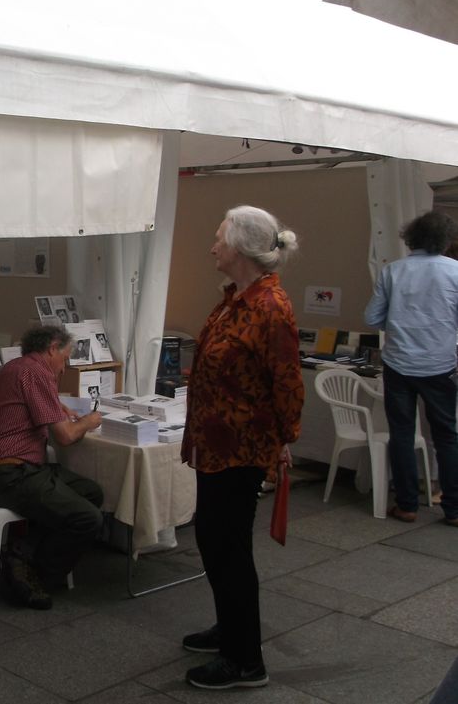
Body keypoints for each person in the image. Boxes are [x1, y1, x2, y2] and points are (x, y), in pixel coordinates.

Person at [180, 205, 303, 690]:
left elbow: (288, 383)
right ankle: (230, 629)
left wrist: (283, 441)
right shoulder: (237, 300)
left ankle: (245, 660)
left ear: (241, 249)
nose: (212, 247)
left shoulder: (269, 308)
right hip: (217, 445)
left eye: (218, 239)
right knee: (215, 541)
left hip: (241, 450)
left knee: (227, 548)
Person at [0, 325, 104, 610]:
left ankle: (23, 552)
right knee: (88, 518)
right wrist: (89, 420)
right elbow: (66, 437)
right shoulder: (37, 372)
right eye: (65, 358)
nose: (63, 368)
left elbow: (34, 405)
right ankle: (33, 575)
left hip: (20, 467)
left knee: (91, 493)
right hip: (10, 473)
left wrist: (57, 405)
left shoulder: (18, 366)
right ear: (52, 348)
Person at [364, 210, 458, 527]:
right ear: (446, 240)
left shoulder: (393, 272)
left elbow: (373, 318)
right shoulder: (455, 272)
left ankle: (406, 505)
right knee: (446, 436)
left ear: (410, 238)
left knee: (402, 433)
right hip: (440, 364)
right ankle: (454, 508)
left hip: (399, 364)